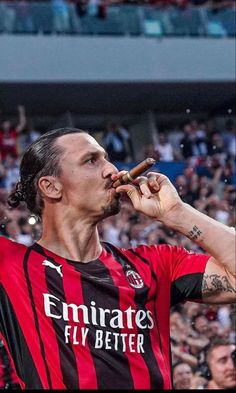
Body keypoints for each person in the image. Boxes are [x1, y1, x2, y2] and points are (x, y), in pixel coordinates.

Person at [0, 127, 235, 390]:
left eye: (106, 158)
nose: (112, 170)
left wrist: (178, 213)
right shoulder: (10, 266)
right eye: (91, 160)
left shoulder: (156, 264)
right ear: (51, 186)